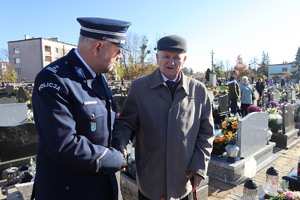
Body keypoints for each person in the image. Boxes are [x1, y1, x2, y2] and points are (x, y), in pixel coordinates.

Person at [31, 17, 131, 200]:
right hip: (69, 191)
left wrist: (119, 142)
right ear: (98, 47)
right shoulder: (54, 80)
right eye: (117, 50)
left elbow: (106, 122)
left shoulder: (98, 76)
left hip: (100, 186)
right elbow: (64, 145)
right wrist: (116, 159)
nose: (120, 56)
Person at [113, 35, 215, 200]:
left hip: (183, 181)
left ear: (185, 60)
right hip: (150, 181)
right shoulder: (139, 87)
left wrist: (199, 166)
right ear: (157, 57)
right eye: (166, 56)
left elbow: (206, 133)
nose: (171, 62)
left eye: (176, 57)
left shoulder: (198, 90)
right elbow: (126, 124)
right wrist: (120, 145)